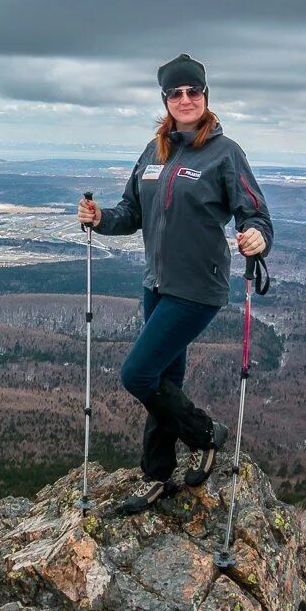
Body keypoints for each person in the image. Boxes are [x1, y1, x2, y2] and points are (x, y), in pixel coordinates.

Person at [76, 53, 272, 514]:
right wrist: (101, 218)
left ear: (205, 96)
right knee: (165, 379)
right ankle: (157, 476)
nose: (186, 99)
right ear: (165, 99)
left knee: (137, 374)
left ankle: (206, 433)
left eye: (194, 91)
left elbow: (255, 212)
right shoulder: (154, 150)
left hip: (197, 289)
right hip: (156, 283)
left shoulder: (225, 153)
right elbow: (132, 214)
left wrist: (258, 236)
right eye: (176, 92)